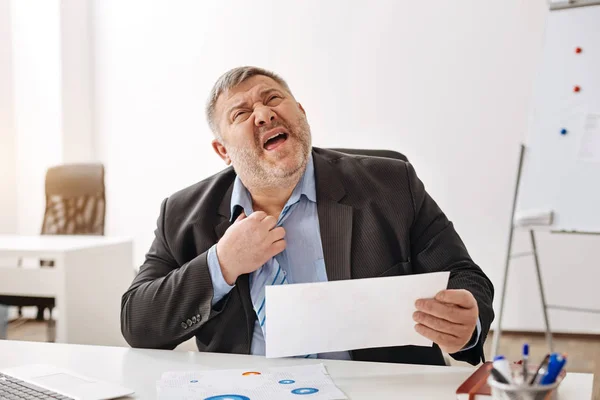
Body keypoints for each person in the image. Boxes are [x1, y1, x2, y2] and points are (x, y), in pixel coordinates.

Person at [120, 66, 494, 366]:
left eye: (273, 99)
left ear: (300, 113)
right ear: (223, 151)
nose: (264, 114)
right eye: (242, 113)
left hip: (373, 389)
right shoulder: (184, 214)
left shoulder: (391, 183)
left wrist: (468, 324)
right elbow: (138, 323)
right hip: (248, 389)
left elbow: (464, 275)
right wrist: (222, 263)